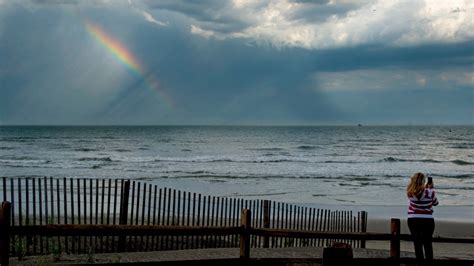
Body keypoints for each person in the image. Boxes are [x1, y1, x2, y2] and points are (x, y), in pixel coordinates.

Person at [406, 172, 439, 265]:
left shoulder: (409, 192)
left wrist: (427, 188)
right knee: (427, 243)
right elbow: (436, 203)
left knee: (417, 244)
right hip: (427, 219)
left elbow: (419, 194)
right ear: (423, 181)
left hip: (413, 219)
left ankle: (420, 263)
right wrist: (430, 188)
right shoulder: (430, 192)